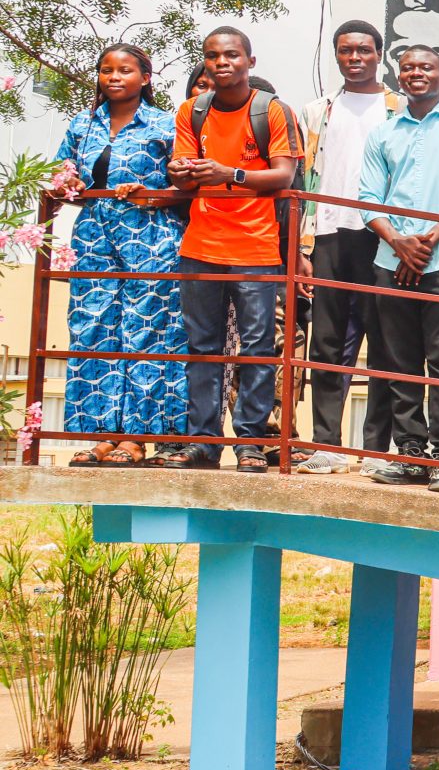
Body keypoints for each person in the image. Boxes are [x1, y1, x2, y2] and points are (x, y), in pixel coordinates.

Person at [168, 28, 303, 471]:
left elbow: (283, 176)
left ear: (250, 60)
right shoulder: (193, 110)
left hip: (256, 248)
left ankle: (250, 441)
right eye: (213, 56)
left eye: (231, 55)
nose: (222, 62)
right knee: (203, 348)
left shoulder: (272, 111)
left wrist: (231, 173)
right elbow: (184, 179)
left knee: (258, 348)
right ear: (205, 63)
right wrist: (182, 173)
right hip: (201, 243)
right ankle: (203, 442)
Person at [357, 46, 439, 492]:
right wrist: (398, 242)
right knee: (400, 361)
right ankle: (411, 452)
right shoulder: (383, 133)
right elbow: (367, 198)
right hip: (390, 259)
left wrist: (426, 242)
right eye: (410, 67)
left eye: (426, 67)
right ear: (399, 74)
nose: (417, 73)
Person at [51, 44, 185, 467]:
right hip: (93, 236)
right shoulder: (82, 123)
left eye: (124, 70)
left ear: (145, 78)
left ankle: (137, 438)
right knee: (93, 328)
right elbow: (61, 172)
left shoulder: (166, 124)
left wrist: (152, 196)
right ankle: (101, 436)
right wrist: (59, 184)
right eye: (106, 70)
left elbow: (186, 184)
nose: (113, 77)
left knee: (146, 334)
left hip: (151, 238)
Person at [297, 19, 395, 471]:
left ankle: (376, 449)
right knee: (328, 343)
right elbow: (305, 178)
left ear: (379, 53)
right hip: (331, 233)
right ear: (336, 55)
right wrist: (303, 245)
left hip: (383, 236)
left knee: (385, 342)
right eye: (345, 50)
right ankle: (326, 446)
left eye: (363, 50)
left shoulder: (399, 108)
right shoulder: (318, 111)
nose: (354, 58)